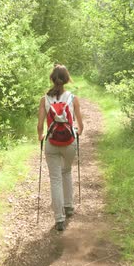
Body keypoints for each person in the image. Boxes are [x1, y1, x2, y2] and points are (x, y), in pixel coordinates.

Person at [37, 65, 84, 231]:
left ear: (52, 78)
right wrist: (77, 131)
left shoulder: (45, 100)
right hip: (69, 142)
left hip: (51, 142)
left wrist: (41, 137)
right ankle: (69, 206)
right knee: (67, 171)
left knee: (55, 179)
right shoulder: (73, 98)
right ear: (66, 79)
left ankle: (59, 219)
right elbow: (80, 126)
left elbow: (39, 125)